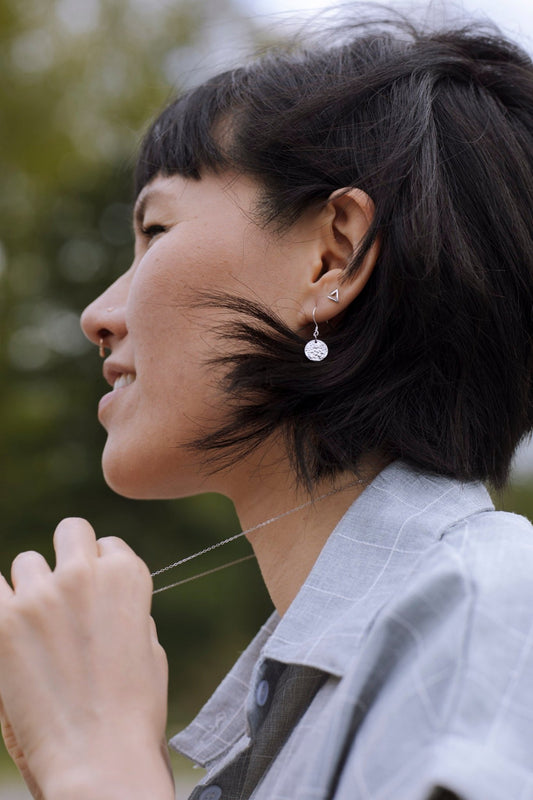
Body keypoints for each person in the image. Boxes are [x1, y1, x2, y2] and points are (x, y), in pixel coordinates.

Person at [1, 11, 533, 800]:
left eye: (154, 228)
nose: (98, 315)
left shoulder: (488, 617)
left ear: (333, 254)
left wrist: (98, 768)